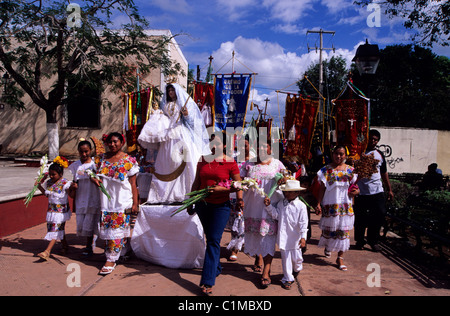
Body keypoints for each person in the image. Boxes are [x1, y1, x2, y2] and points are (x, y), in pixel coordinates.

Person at [189, 134, 244, 296]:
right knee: (210, 238)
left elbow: (238, 184)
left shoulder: (230, 162)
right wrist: (191, 200)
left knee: (213, 240)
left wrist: (230, 193)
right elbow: (197, 181)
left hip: (221, 206)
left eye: (217, 142)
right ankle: (216, 267)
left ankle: (207, 280)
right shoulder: (202, 160)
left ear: (225, 145)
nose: (214, 145)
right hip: (202, 205)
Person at [138, 83, 210, 204]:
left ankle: (185, 192)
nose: (171, 93)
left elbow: (193, 121)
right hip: (168, 135)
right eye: (169, 90)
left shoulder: (183, 103)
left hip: (181, 133)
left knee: (183, 161)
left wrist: (186, 114)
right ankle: (162, 194)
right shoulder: (164, 104)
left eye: (173, 90)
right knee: (166, 161)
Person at [92, 132, 139, 275]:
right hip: (106, 202)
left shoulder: (129, 160)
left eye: (115, 142)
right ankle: (123, 251)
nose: (112, 144)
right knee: (109, 230)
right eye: (110, 142)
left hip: (122, 201)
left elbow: (133, 184)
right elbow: (94, 175)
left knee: (116, 230)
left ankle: (110, 259)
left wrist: (135, 203)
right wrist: (93, 180)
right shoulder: (100, 160)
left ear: (122, 142)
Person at [241, 139, 287, 288]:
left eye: (265, 146)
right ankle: (258, 258)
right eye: (258, 146)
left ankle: (266, 271)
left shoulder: (277, 164)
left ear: (270, 149)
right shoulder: (249, 164)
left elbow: (287, 179)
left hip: (270, 206)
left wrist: (283, 180)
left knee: (268, 237)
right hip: (253, 208)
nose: (261, 148)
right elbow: (239, 181)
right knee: (257, 236)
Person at [315, 146, 359, 271]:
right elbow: (322, 188)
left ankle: (340, 257)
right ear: (332, 154)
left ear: (345, 155)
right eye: (336, 154)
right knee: (329, 230)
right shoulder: (326, 170)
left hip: (345, 206)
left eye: (341, 154)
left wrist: (356, 192)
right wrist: (318, 203)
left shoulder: (351, 171)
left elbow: (355, 188)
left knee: (343, 231)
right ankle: (328, 246)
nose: (338, 156)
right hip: (330, 205)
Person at [354, 129, 394, 252]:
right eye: (371, 138)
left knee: (379, 214)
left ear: (378, 141)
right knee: (360, 217)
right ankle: (360, 240)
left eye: (375, 139)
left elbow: (384, 173)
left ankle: (373, 240)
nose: (373, 141)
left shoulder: (380, 155)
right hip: (361, 191)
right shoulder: (358, 153)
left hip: (377, 190)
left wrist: (389, 189)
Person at [264, 179, 308, 290]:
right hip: (283, 236)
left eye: (290, 192)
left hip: (295, 237)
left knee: (297, 259)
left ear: (297, 192)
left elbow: (303, 222)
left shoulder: (301, 206)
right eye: (286, 191)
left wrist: (303, 237)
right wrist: (269, 207)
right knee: (286, 258)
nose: (287, 194)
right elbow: (276, 215)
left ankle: (297, 268)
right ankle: (287, 278)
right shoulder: (280, 204)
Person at [36, 156, 74, 260]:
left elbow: (71, 195)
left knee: (55, 230)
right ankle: (65, 245)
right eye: (50, 174)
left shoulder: (65, 183)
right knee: (57, 228)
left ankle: (47, 251)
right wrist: (39, 186)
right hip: (51, 210)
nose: (52, 176)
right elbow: (47, 195)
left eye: (54, 174)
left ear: (60, 174)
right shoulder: (49, 183)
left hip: (61, 212)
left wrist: (74, 188)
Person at [68, 139, 101, 257]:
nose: (84, 154)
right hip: (81, 197)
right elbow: (74, 180)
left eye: (86, 151)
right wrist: (74, 186)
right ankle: (89, 243)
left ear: (90, 151)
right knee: (83, 223)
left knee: (92, 221)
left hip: (93, 196)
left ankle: (89, 245)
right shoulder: (76, 166)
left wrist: (95, 180)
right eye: (81, 152)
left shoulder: (95, 164)